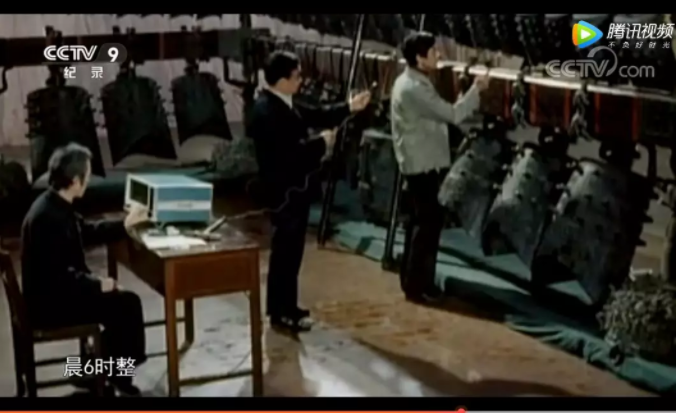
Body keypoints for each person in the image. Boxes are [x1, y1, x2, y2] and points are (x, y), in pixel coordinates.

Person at [248, 51, 371, 333]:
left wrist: (350, 107)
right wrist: (321, 144)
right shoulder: (267, 112)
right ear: (281, 80)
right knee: (285, 253)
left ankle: (285, 306)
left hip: (294, 190)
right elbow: (288, 156)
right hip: (284, 192)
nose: (301, 81)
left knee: (291, 253)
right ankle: (282, 311)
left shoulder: (283, 102)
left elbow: (317, 114)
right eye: (297, 76)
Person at [21, 143, 149, 396]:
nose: (89, 180)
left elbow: (87, 231)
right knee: (127, 305)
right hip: (49, 306)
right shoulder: (48, 218)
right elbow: (58, 278)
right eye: (87, 176)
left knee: (120, 304)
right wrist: (98, 284)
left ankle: (93, 370)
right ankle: (109, 374)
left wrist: (124, 225)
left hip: (52, 295)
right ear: (75, 181)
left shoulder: (53, 203)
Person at [391, 32, 489, 304]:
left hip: (418, 164)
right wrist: (476, 90)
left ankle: (414, 282)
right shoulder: (414, 88)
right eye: (433, 52)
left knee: (420, 224)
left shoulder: (410, 81)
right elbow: (453, 114)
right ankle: (418, 286)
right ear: (420, 58)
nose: (439, 55)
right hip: (421, 166)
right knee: (427, 225)